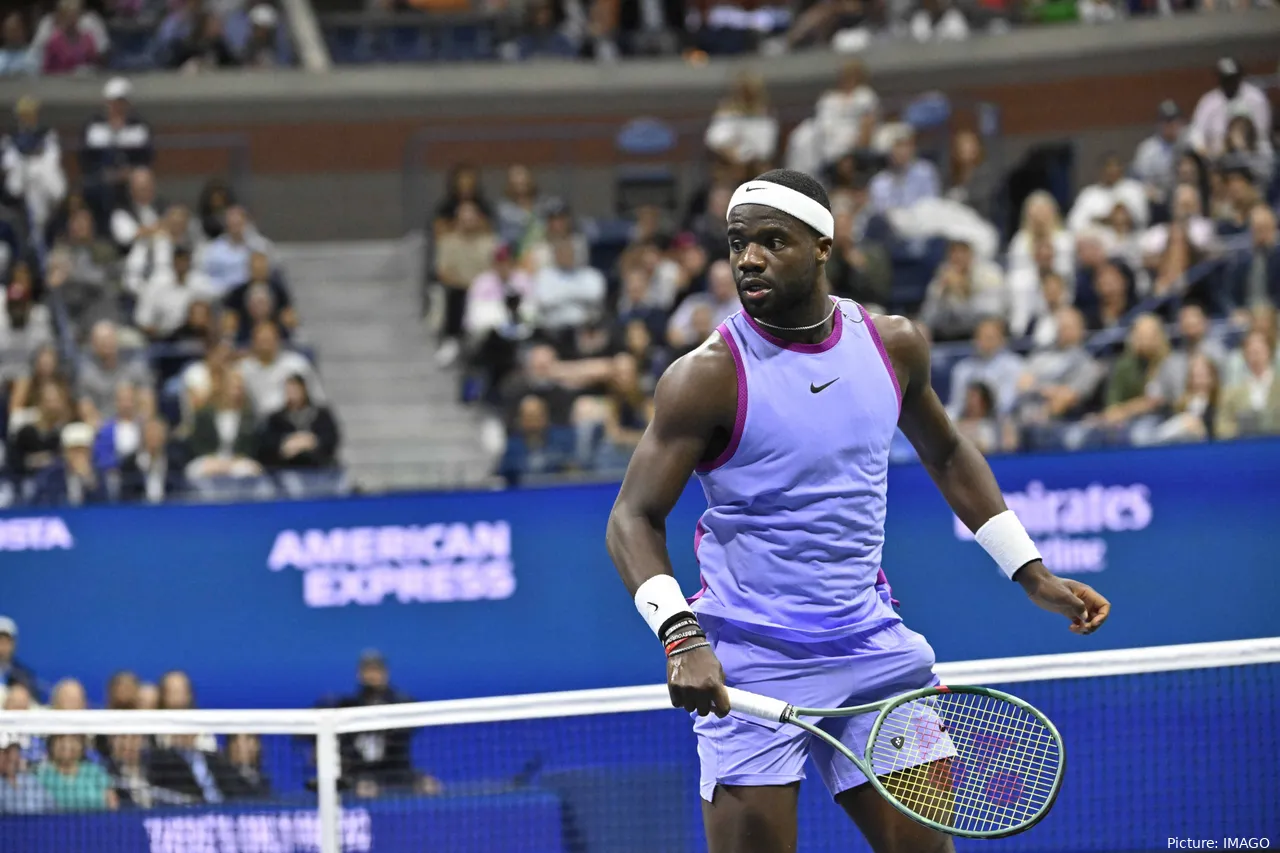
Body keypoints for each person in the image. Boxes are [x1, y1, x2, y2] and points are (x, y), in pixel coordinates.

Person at [605, 169, 1110, 853]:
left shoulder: (892, 344)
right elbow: (631, 517)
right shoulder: (707, 376)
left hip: (875, 653)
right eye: (737, 242)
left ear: (822, 245)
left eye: (772, 241)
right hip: (752, 663)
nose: (748, 258)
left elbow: (949, 452)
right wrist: (681, 636)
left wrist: (1031, 571)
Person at [260, 375, 340, 470]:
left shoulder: (321, 414)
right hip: (285, 468)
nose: (292, 394)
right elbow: (267, 442)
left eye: (295, 390)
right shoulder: (276, 418)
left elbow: (331, 438)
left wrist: (311, 441)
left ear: (304, 390)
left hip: (317, 466)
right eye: (289, 390)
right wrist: (287, 443)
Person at [0, 617, 37, 700]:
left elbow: (33, 699)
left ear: (13, 644)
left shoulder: (23, 675)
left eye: (6, 642)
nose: (2, 647)